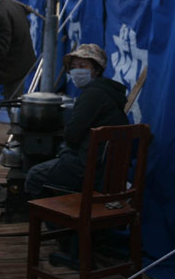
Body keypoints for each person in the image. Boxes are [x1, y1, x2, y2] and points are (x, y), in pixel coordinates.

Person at [25, 44, 129, 197]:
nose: (76, 71)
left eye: (82, 66)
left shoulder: (93, 95)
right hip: (107, 166)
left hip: (91, 170)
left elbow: (71, 136)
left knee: (35, 175)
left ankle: (54, 213)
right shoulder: (107, 91)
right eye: (73, 67)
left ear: (96, 70)